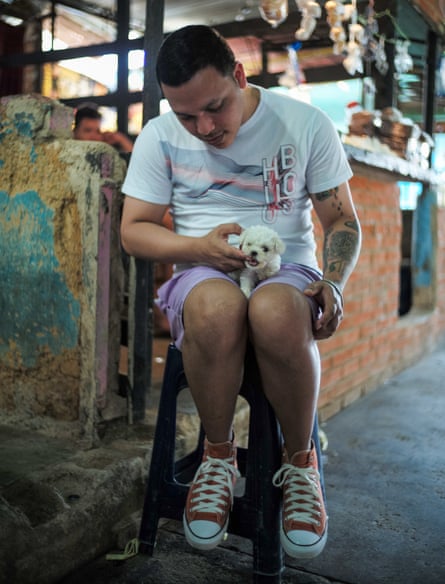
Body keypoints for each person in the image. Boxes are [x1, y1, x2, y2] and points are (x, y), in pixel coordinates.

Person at [120, 25, 361, 559]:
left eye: (215, 107)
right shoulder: (160, 135)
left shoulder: (303, 123)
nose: (203, 127)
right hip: (201, 272)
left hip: (288, 267)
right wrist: (200, 249)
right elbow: (133, 229)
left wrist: (335, 282)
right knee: (215, 307)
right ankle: (218, 457)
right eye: (186, 116)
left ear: (240, 75)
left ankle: (300, 464)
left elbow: (342, 221)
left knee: (275, 310)